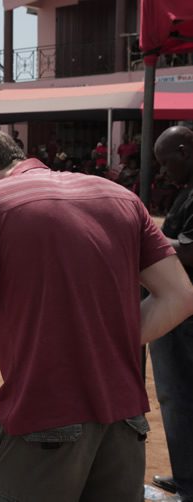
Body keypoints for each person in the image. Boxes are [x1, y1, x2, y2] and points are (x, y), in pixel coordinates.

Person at [0, 123, 193, 501]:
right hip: (124, 421)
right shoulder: (122, 198)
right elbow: (180, 296)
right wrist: (102, 342)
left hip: (42, 420)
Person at [149, 125, 193, 502]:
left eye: (166, 162)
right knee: (176, 398)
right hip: (177, 310)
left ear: (185, 150)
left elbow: (189, 251)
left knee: (180, 396)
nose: (164, 172)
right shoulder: (186, 194)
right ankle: (186, 475)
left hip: (185, 314)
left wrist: (141, 240)